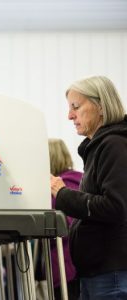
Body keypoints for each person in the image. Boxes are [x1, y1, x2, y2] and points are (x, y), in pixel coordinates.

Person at [50, 75, 127, 299]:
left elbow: (115, 207)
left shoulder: (114, 145)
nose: (70, 115)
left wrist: (62, 194)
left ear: (100, 107)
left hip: (111, 275)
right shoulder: (100, 147)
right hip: (99, 273)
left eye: (76, 107)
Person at [48, 138, 82, 300]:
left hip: (64, 268)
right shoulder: (81, 180)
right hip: (81, 266)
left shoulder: (57, 188)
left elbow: (61, 226)